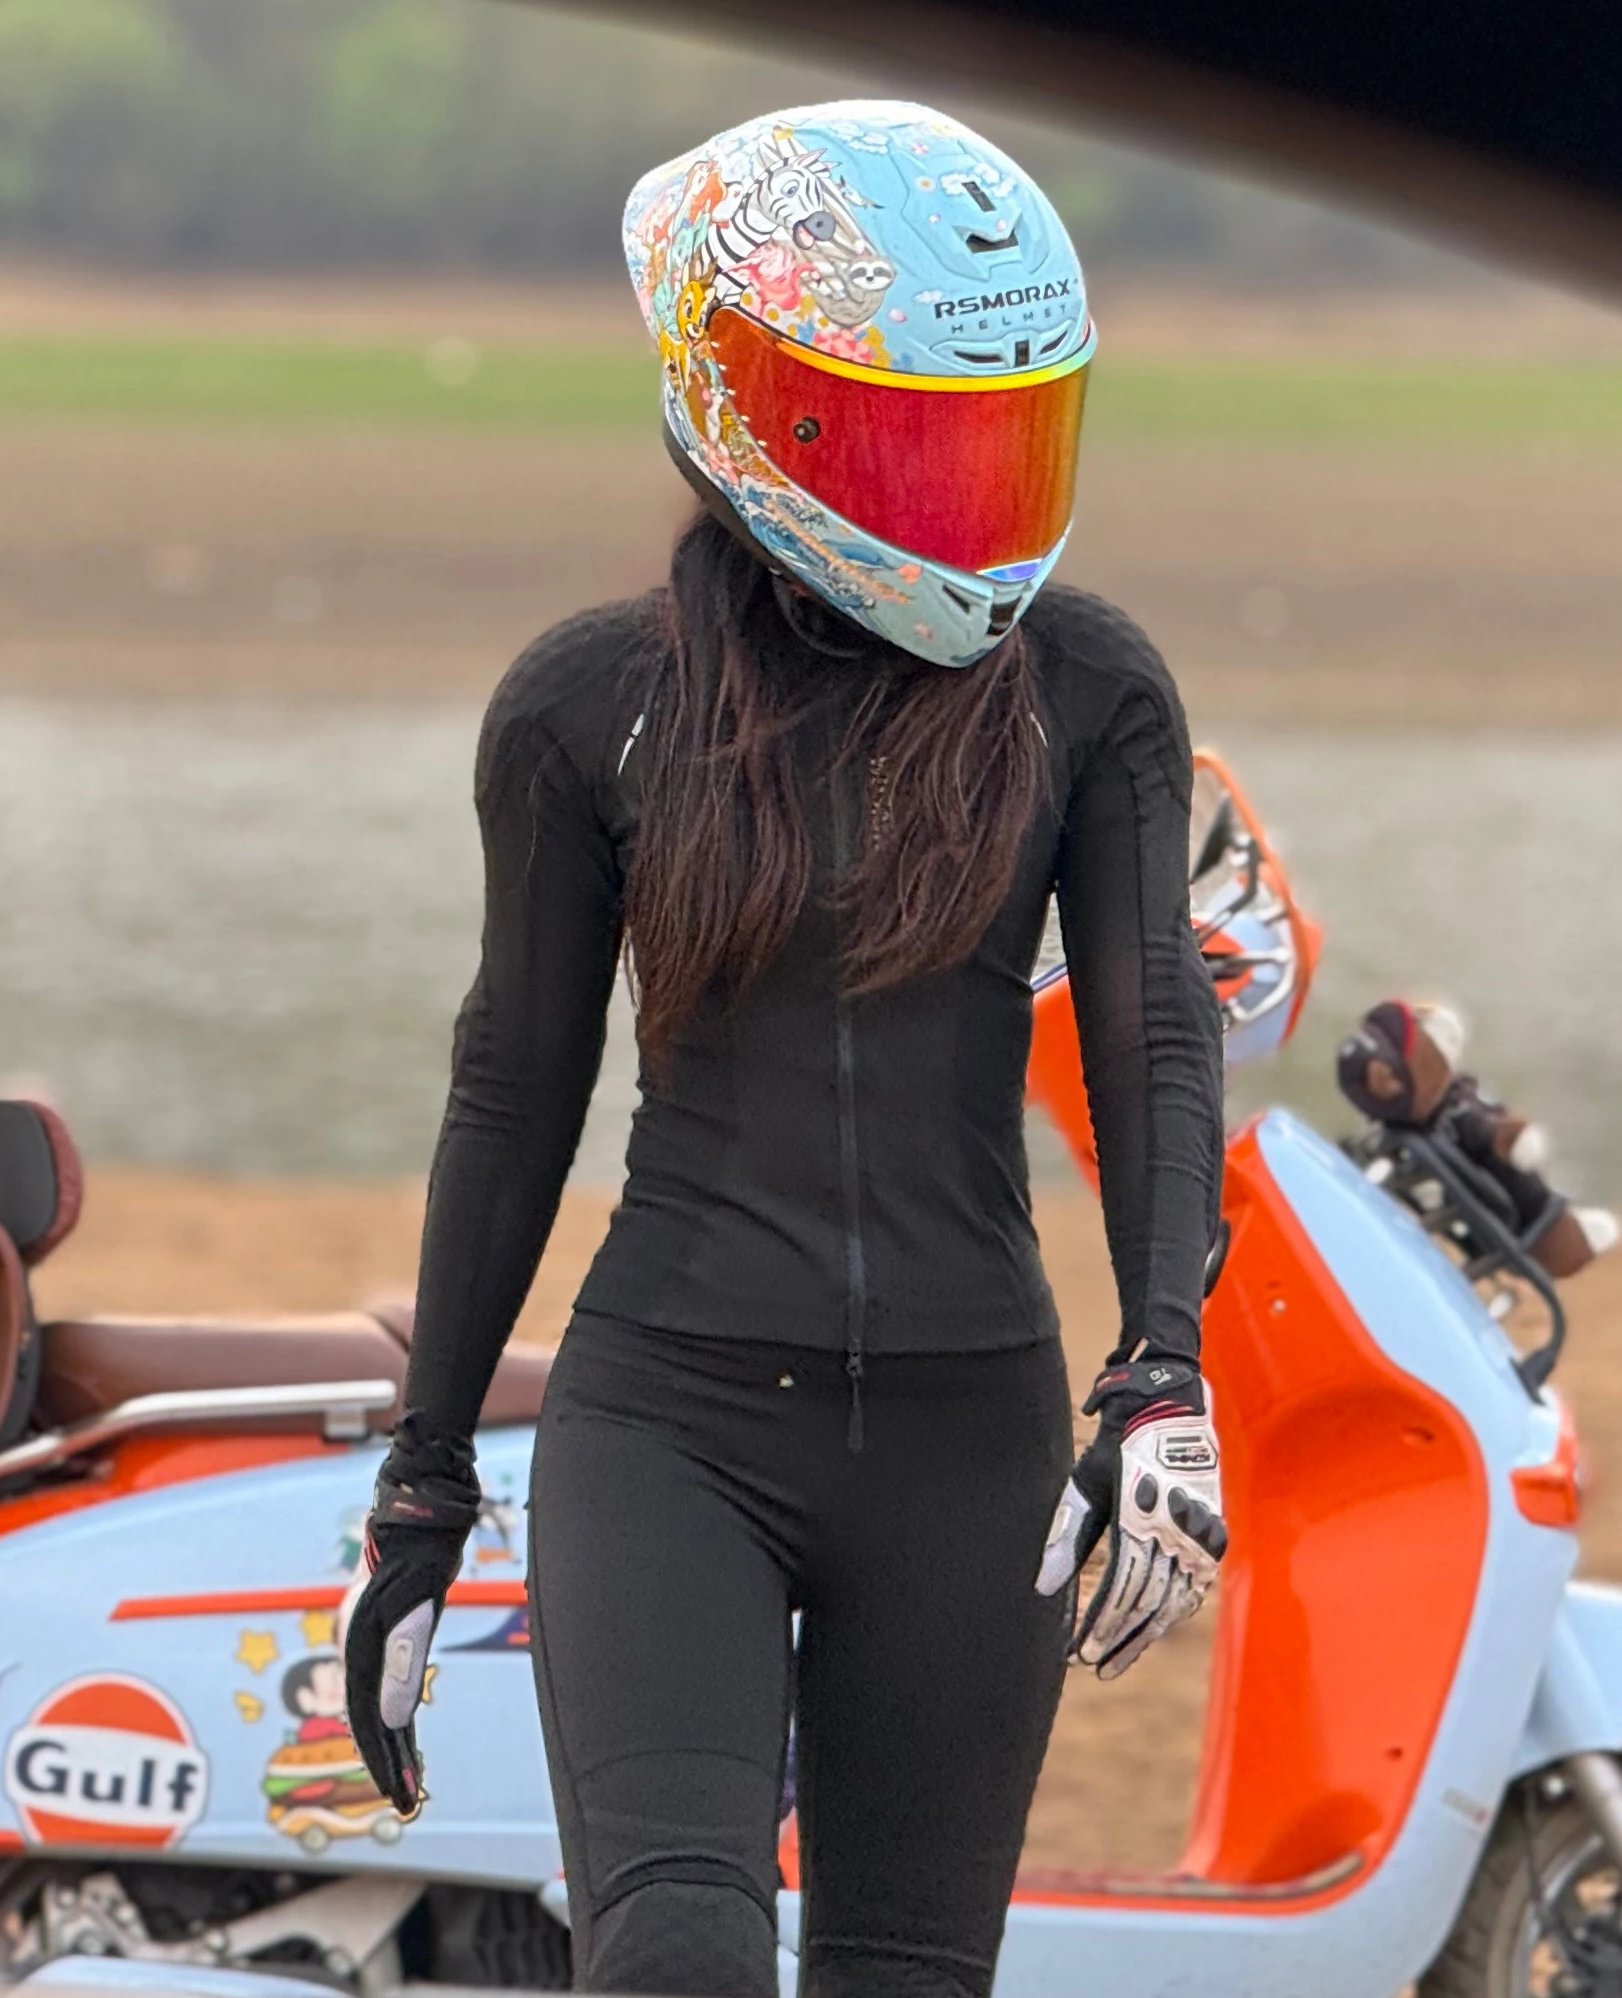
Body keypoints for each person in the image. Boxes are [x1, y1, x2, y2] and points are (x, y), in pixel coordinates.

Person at [341, 99, 1228, 1998]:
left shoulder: (1090, 689)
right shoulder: (590, 709)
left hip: (974, 1439)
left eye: (1012, 438)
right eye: (927, 440)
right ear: (759, 418)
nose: (979, 498)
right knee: (675, 1953)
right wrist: (423, 1484)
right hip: (670, 1424)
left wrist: (1165, 1372)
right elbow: (514, 1092)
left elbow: (1157, 1029)